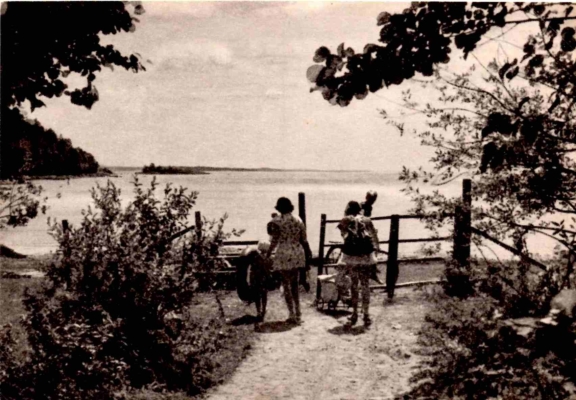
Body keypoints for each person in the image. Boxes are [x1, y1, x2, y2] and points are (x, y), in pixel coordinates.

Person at [266, 197, 311, 325]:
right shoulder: (298, 219)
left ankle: (291, 313)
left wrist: (268, 253)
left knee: (286, 284)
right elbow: (304, 239)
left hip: (284, 252)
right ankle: (298, 312)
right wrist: (308, 252)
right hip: (297, 251)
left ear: (279, 208)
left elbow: (274, 240)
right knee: (295, 284)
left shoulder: (277, 221)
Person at [337, 200, 380, 328]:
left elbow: (343, 236)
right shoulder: (367, 220)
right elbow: (375, 237)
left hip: (352, 257)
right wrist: (375, 252)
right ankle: (366, 314)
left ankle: (355, 313)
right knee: (365, 285)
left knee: (354, 285)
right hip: (366, 257)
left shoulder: (345, 220)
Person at [360, 190, 384, 285]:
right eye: (371, 199)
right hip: (361, 229)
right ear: (366, 197)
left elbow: (368, 219)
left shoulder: (369, 207)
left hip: (365, 228)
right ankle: (372, 271)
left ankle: (372, 269)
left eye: (374, 199)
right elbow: (362, 218)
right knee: (372, 246)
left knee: (374, 246)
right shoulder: (362, 206)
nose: (372, 201)